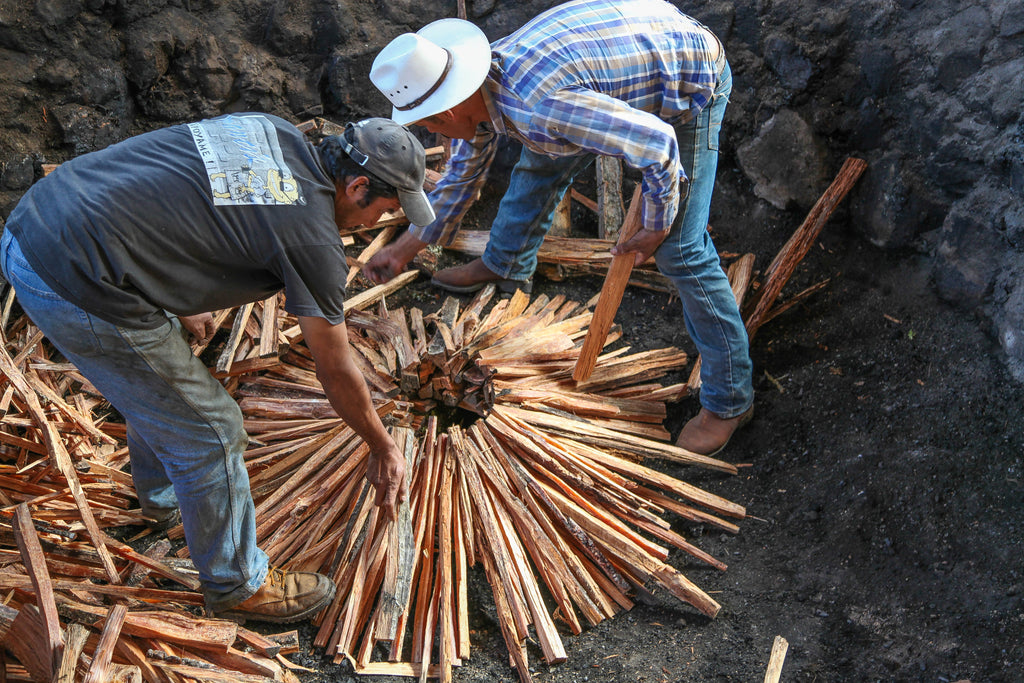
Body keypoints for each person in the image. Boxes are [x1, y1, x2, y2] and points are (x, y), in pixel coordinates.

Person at [0, 113, 434, 622]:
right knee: (213, 430)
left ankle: (163, 502)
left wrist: (179, 298)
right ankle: (236, 584)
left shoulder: (273, 130)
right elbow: (334, 370)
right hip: (72, 275)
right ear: (357, 186)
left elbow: (180, 194)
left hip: (40, 218)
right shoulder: (312, 241)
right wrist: (381, 445)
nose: (375, 224)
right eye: (383, 210)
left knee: (163, 387)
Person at [363, 0, 753, 455]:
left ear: (448, 112)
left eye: (430, 125)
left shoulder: (542, 108)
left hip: (689, 82)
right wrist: (407, 247)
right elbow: (462, 176)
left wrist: (658, 222)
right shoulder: (481, 90)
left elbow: (658, 144)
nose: (436, 137)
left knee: (680, 251)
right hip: (615, 72)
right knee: (540, 164)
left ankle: (729, 401)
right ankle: (504, 261)